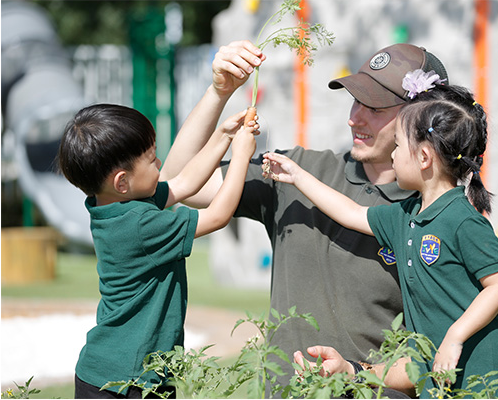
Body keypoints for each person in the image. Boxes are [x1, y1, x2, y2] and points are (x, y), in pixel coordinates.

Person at [159, 41, 449, 397]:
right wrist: (218, 93)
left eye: (374, 107)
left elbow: (436, 354)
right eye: (356, 100)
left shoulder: (436, 212)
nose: (354, 117)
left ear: (420, 117)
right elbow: (175, 184)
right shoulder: (294, 171)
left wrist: (356, 374)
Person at [262, 83, 498, 396]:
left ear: (424, 157)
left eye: (398, 146)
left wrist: (455, 336)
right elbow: (351, 212)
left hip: (480, 373)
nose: (393, 155)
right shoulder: (405, 216)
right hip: (435, 375)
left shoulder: (463, 220)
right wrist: (297, 175)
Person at [57, 103, 258, 398]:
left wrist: (223, 136)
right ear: (122, 181)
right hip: (129, 381)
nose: (160, 163)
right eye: (152, 161)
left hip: (109, 372)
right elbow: (217, 216)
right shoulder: (140, 225)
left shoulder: (113, 206)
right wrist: (241, 156)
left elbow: (184, 183)